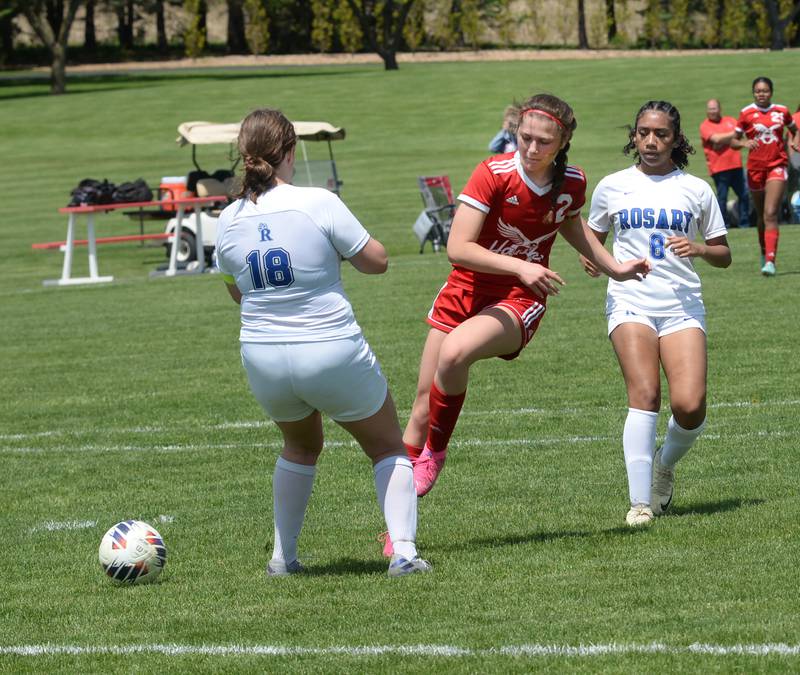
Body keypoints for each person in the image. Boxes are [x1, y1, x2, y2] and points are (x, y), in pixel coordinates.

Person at [401, 93, 650, 506]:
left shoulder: (572, 182)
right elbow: (457, 248)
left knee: (454, 353)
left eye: (544, 142)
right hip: (464, 288)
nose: (532, 149)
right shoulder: (493, 173)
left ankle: (436, 453)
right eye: (525, 137)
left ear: (564, 139)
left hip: (520, 297)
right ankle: (398, 529)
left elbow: (571, 224)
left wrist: (614, 267)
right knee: (420, 410)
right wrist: (520, 264)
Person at [215, 108, 431, 578]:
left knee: (299, 446)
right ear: (291, 151)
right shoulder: (318, 201)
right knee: (387, 446)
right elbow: (378, 261)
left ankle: (282, 559)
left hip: (263, 357)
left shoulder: (227, 218)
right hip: (329, 346)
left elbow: (237, 290)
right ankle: (405, 554)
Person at [581, 100, 731, 527]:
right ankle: (640, 503)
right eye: (644, 132)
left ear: (675, 139)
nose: (651, 141)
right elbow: (591, 238)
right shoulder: (612, 186)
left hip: (682, 304)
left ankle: (665, 464)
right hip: (630, 301)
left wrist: (700, 248)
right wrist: (596, 261)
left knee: (690, 404)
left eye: (661, 134)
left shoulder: (696, 189)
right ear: (634, 135)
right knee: (645, 394)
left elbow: (724, 254)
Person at [734, 77, 800, 276]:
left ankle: (771, 262)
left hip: (777, 166)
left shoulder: (782, 111)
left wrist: (795, 142)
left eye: (764, 90)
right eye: (757, 91)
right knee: (762, 216)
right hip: (755, 170)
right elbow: (733, 141)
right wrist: (744, 144)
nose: (761, 94)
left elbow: (794, 130)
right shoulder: (746, 113)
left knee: (771, 213)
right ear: (753, 93)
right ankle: (764, 252)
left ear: (771, 92)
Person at [699, 99, 750, 228]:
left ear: (720, 109)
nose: (712, 111)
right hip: (719, 168)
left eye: (714, 108)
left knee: (744, 195)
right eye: (710, 109)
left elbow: (738, 136)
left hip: (736, 165)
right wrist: (732, 136)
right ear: (707, 110)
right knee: (722, 198)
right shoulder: (705, 126)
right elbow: (716, 139)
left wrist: (721, 140)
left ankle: (745, 223)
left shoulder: (731, 120)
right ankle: (724, 225)